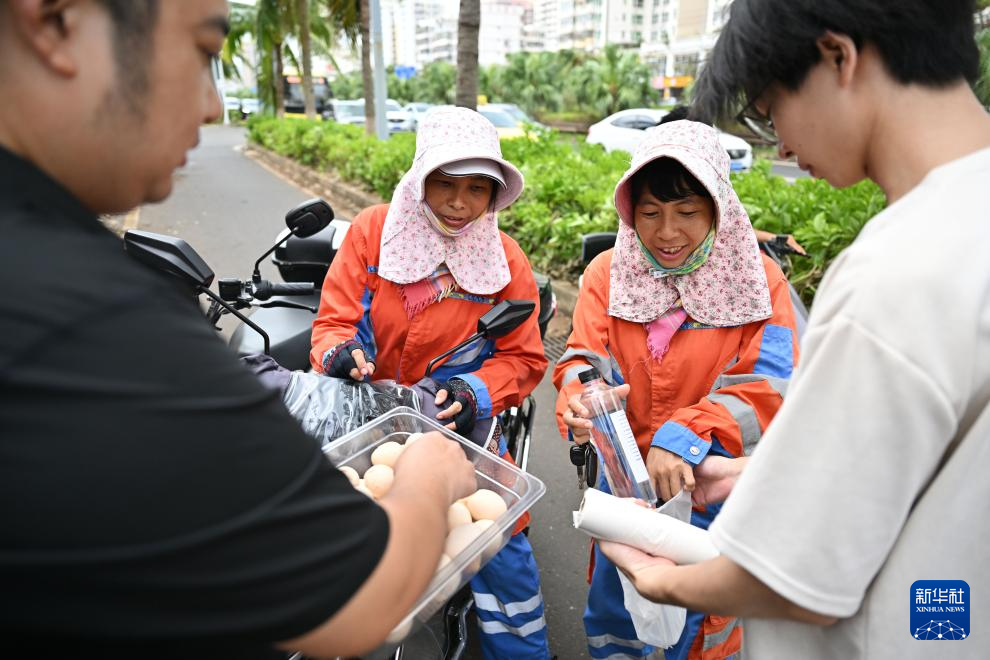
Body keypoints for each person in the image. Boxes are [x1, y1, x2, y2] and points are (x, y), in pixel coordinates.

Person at [0, 1, 478, 658]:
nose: (212, 107)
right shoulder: (84, 317)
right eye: (202, 52)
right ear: (56, 20)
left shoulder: (501, 262)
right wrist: (427, 469)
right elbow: (357, 592)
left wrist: (477, 393)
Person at [600, 1, 990, 658]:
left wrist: (662, 582)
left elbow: (797, 578)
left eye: (768, 107)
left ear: (839, 58)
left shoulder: (895, 277)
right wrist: (760, 473)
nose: (777, 141)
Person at [309, 105, 552, 659]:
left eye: (476, 189)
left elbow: (523, 359)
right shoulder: (374, 233)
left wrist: (475, 393)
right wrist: (338, 355)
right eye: (444, 183)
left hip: (457, 422)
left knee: (498, 543)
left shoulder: (505, 262)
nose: (459, 203)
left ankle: (522, 650)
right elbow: (332, 323)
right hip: (366, 413)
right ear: (420, 180)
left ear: (494, 196)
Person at [554, 120, 800, 660]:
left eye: (687, 211)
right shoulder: (607, 274)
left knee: (704, 629)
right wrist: (577, 394)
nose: (667, 232)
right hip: (627, 494)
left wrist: (686, 433)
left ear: (718, 208)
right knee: (617, 616)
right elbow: (582, 358)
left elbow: (770, 387)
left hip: (713, 489)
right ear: (629, 212)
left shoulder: (760, 281)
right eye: (649, 213)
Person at [660, 104, 807, 255]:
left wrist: (773, 238)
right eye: (650, 213)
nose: (666, 233)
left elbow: (730, 226)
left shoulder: (712, 185)